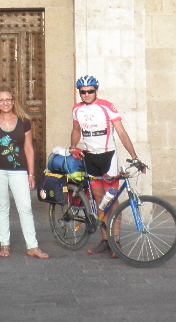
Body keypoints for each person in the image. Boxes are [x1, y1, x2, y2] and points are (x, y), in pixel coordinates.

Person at [70, 75, 146, 257]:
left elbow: (121, 132)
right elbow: (76, 130)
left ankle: (116, 240)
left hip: (108, 157)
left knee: (111, 201)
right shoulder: (76, 109)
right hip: (90, 158)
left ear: (96, 90)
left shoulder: (106, 106)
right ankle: (105, 240)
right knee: (98, 200)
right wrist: (73, 148)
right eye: (83, 92)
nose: (86, 94)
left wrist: (134, 157)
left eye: (90, 91)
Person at [0, 90, 49, 258]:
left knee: (25, 206)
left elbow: (28, 148)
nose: (5, 103)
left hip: (19, 170)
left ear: (13, 101)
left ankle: (32, 246)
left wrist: (31, 174)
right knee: (2, 206)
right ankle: (4, 244)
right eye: (1, 100)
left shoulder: (24, 122)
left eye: (8, 100)